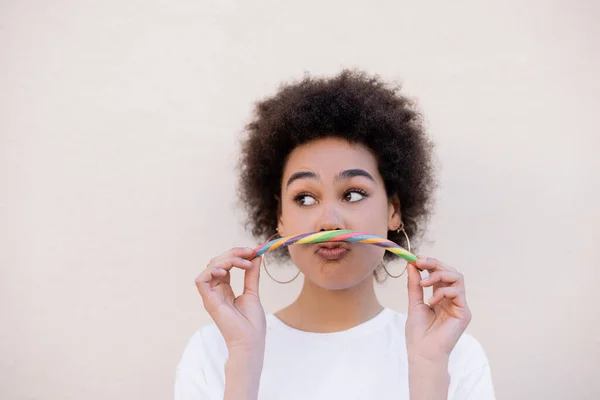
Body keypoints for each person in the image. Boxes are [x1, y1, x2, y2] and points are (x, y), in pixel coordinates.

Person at [175, 70, 495, 399]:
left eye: (353, 194)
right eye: (305, 198)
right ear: (280, 219)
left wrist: (429, 368)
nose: (329, 221)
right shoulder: (215, 351)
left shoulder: (453, 353)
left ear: (393, 210)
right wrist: (243, 359)